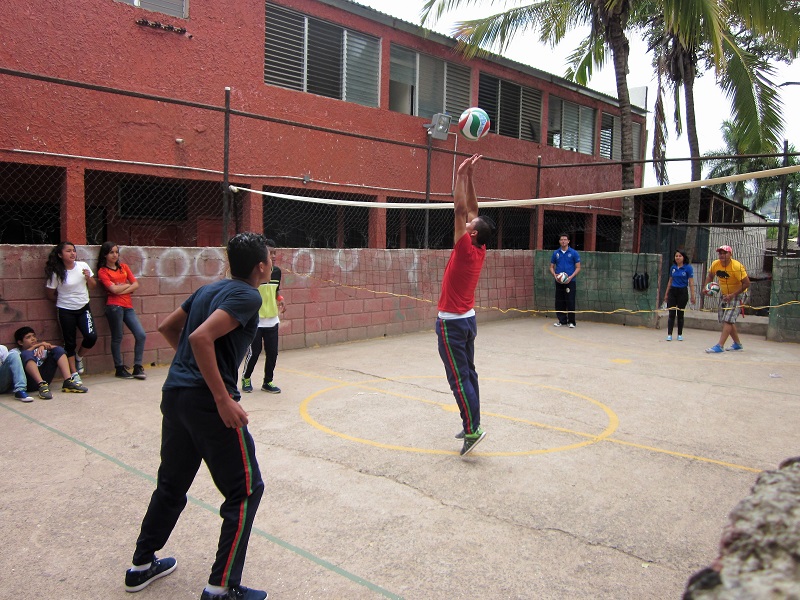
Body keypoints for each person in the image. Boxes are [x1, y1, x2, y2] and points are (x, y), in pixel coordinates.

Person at [125, 232, 270, 600]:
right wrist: (221, 397)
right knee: (246, 490)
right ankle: (221, 588)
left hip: (176, 396)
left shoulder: (207, 290)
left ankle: (141, 566)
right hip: (207, 405)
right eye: (269, 258)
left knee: (171, 485)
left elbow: (168, 328)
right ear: (260, 267)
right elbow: (200, 338)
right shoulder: (249, 295)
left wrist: (190, 373)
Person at [436, 154, 495, 457]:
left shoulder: (464, 249)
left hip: (452, 323)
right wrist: (471, 177)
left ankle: (473, 430)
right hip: (467, 320)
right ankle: (471, 420)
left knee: (458, 379)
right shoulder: (480, 246)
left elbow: (461, 209)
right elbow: (471, 210)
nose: (469, 219)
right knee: (469, 374)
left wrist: (459, 175)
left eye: (471, 224)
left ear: (471, 233)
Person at [44, 241, 97, 381]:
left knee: (91, 337)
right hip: (65, 310)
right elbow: (49, 294)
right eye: (68, 251)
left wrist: (88, 277)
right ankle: (74, 373)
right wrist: (61, 302)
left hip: (83, 307)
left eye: (73, 250)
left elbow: (93, 286)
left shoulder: (83, 266)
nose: (72, 253)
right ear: (60, 255)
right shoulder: (57, 272)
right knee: (70, 343)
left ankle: (79, 357)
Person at [97, 242, 148, 380]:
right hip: (114, 307)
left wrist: (121, 287)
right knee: (117, 337)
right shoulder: (103, 271)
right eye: (111, 252)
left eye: (116, 252)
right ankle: (119, 368)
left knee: (141, 334)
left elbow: (136, 284)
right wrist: (127, 287)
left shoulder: (123, 267)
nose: (115, 255)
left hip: (127, 306)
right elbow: (112, 290)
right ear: (105, 255)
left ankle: (137, 366)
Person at [241, 239, 286, 394]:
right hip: (256, 320)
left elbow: (275, 291)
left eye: (275, 253)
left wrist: (280, 300)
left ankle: (268, 382)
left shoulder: (277, 272)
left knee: (272, 352)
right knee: (254, 351)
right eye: (270, 253)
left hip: (272, 319)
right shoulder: (254, 273)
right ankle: (246, 378)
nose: (273, 256)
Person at [13, 326, 88, 396]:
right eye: (28, 337)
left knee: (58, 350)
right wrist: (38, 345)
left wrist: (43, 346)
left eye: (34, 336)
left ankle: (68, 382)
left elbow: (60, 350)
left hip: (45, 380)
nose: (33, 339)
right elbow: (21, 355)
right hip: (29, 383)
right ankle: (41, 384)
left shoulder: (39, 349)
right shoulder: (15, 352)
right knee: (26, 354)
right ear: (20, 342)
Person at [704, 245, 750, 353]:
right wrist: (706, 288)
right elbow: (710, 276)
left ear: (730, 254)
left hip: (738, 295)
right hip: (725, 294)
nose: (722, 255)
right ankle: (737, 344)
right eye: (720, 253)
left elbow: (747, 283)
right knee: (726, 319)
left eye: (725, 253)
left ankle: (720, 346)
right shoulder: (716, 264)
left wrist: (733, 295)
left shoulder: (736, 267)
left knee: (728, 319)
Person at [549, 233, 581, 328]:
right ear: (559, 241)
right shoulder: (556, 253)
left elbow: (578, 267)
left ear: (568, 241)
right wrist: (555, 275)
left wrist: (570, 277)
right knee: (559, 301)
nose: (563, 241)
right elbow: (551, 267)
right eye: (561, 239)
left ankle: (571, 321)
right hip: (559, 281)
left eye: (565, 239)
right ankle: (561, 320)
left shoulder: (574, 253)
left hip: (570, 281)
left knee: (570, 301)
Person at [663, 250, 696, 341]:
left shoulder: (688, 268)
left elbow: (691, 282)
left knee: (680, 314)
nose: (677, 257)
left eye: (680, 256)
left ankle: (679, 334)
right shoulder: (673, 268)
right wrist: (666, 294)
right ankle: (669, 334)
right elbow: (670, 281)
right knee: (671, 313)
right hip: (673, 291)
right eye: (676, 256)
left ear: (683, 257)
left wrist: (693, 295)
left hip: (682, 291)